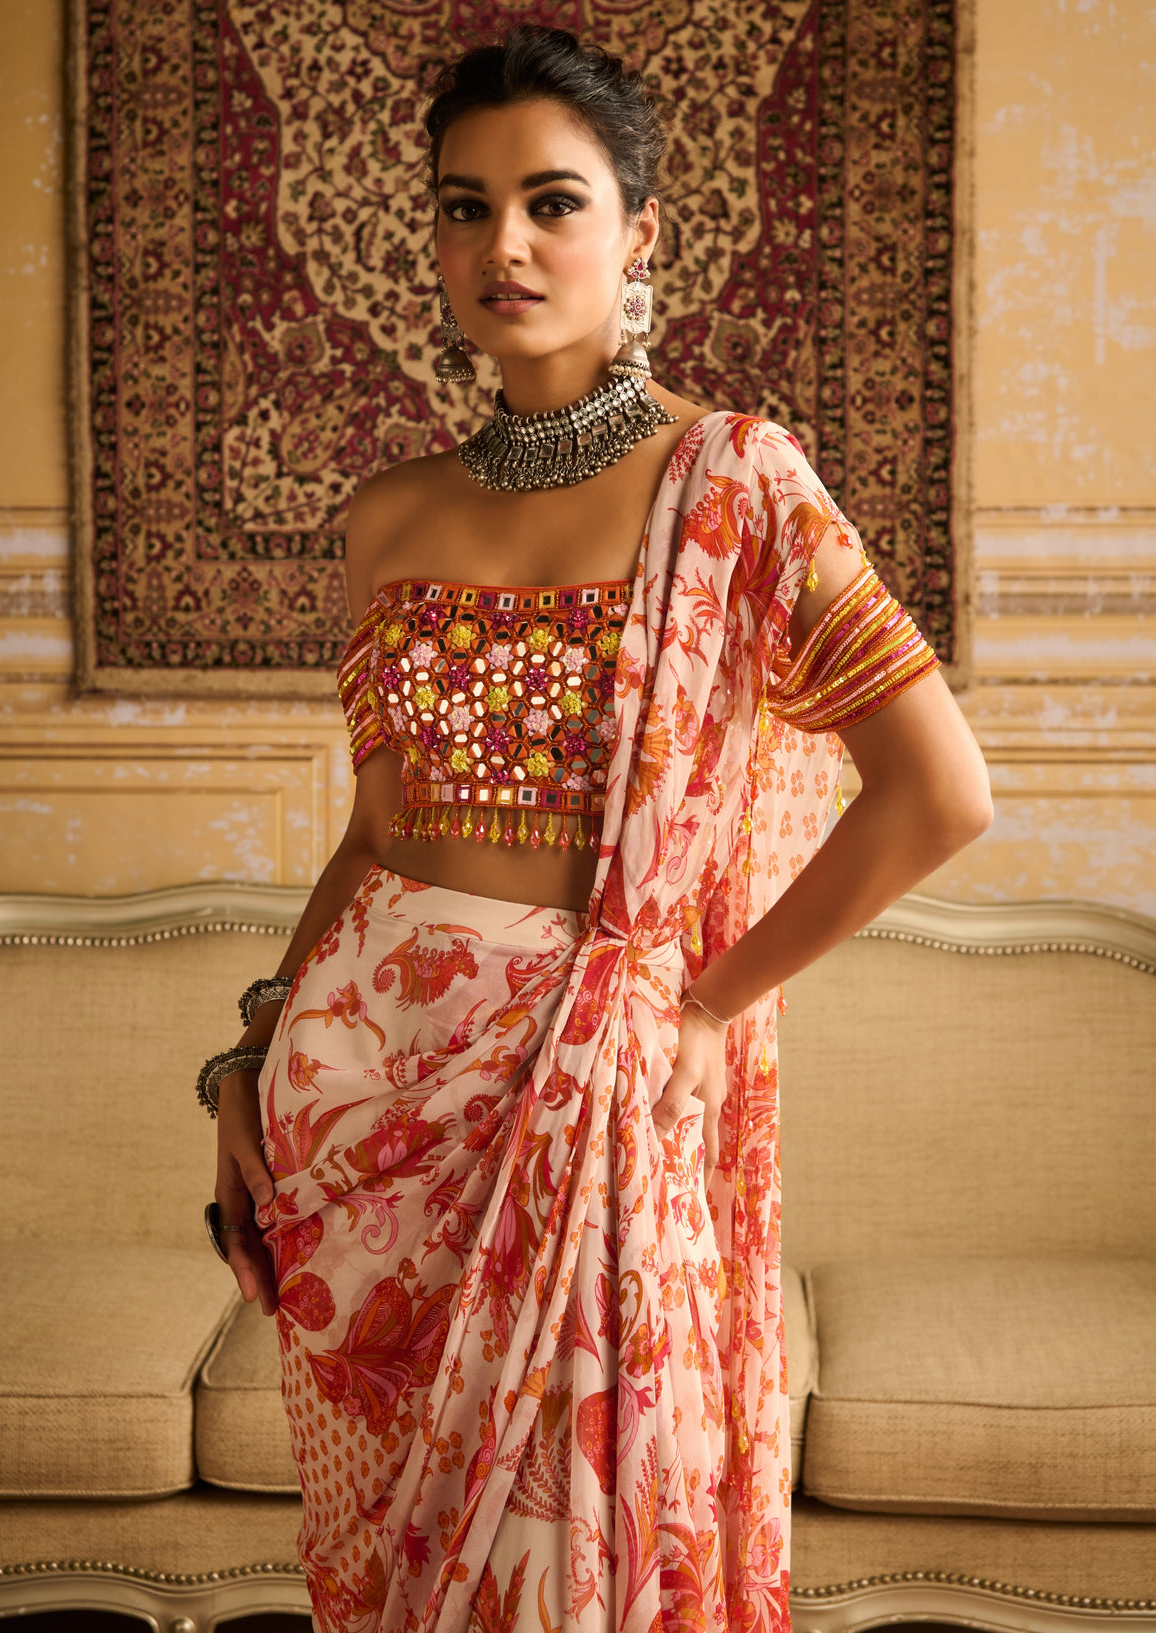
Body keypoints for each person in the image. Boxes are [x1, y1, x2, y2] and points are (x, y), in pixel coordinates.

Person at [202, 24, 992, 1633]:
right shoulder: (390, 511)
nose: (504, 244)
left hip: (591, 1089)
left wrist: (708, 999)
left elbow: (937, 794)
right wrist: (252, 1058)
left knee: (587, 1573)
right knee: (405, 1581)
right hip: (358, 1112)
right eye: (463, 206)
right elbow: (379, 827)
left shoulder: (740, 483)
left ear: (639, 236)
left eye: (552, 202)